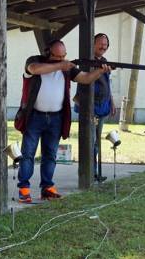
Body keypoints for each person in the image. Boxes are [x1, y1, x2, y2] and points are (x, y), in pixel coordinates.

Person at [14, 39, 111, 203]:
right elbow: (34, 69)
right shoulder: (35, 61)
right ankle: (24, 188)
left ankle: (47, 188)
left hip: (56, 118)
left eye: (63, 56)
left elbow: (86, 78)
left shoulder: (67, 68)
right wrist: (61, 65)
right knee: (28, 154)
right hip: (34, 117)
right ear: (47, 53)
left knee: (50, 155)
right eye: (57, 56)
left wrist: (100, 72)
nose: (61, 59)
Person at [73, 33, 116, 178]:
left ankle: (95, 173)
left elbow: (107, 84)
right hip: (89, 108)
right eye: (100, 43)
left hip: (102, 107)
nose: (103, 47)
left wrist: (112, 102)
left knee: (96, 142)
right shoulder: (87, 62)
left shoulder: (103, 61)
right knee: (89, 142)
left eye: (106, 44)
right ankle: (88, 173)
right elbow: (84, 81)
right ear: (93, 44)